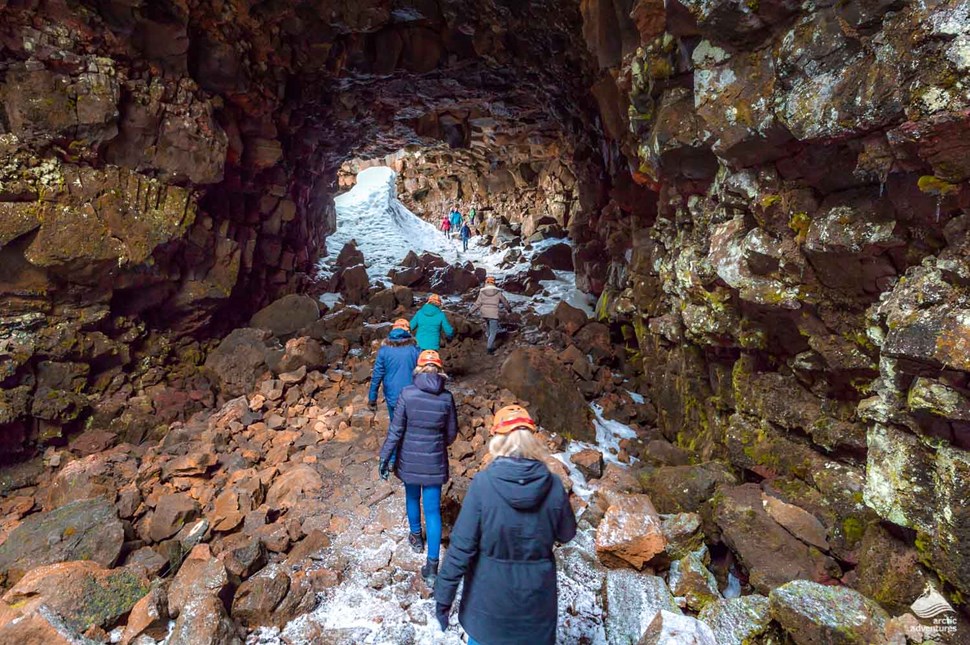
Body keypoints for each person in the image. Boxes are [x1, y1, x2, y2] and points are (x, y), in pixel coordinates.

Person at [433, 404, 577, 644]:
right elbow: (567, 533)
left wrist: (443, 599)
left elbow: (461, 548)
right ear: (531, 439)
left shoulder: (483, 485)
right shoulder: (553, 485)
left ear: (498, 440)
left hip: (487, 610)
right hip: (536, 610)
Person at [378, 350, 459, 586]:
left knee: (412, 497)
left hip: (409, 459)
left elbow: (396, 430)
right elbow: (452, 433)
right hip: (434, 461)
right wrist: (436, 443)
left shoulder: (407, 393)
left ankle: (415, 537)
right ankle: (432, 568)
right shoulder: (446, 398)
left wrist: (384, 457)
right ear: (439, 371)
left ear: (419, 369)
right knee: (433, 511)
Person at [368, 319, 421, 421]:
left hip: (392, 393)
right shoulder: (415, 349)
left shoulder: (384, 350)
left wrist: (372, 397)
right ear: (407, 331)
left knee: (395, 424)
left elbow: (377, 375)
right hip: (413, 393)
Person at [469, 277, 512, 355]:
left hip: (484, 314)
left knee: (489, 329)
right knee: (493, 332)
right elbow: (504, 301)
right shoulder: (498, 292)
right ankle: (489, 349)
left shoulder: (482, 292)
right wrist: (509, 309)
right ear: (493, 283)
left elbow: (477, 304)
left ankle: (489, 341)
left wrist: (470, 312)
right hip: (493, 314)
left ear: (486, 283)